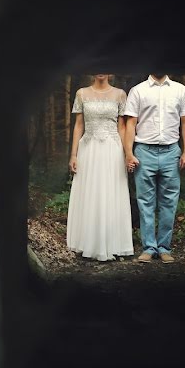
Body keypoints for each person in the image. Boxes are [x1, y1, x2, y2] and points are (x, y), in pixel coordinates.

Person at [123, 74, 185, 263]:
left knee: (169, 202)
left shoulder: (180, 90)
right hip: (144, 151)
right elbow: (131, 123)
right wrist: (128, 153)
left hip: (171, 151)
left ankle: (164, 248)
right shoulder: (138, 90)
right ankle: (148, 248)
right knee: (145, 202)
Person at [66, 74, 134, 261]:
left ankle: (113, 244)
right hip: (89, 148)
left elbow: (122, 126)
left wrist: (126, 153)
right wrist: (74, 154)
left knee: (111, 192)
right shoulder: (82, 93)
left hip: (112, 149)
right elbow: (79, 125)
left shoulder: (120, 94)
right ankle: (88, 242)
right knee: (91, 193)